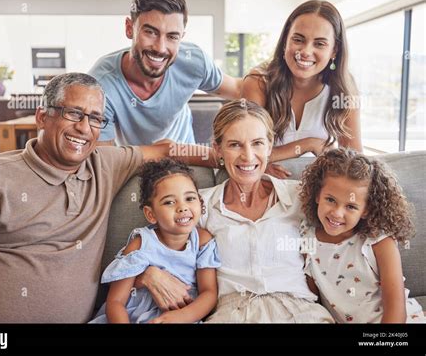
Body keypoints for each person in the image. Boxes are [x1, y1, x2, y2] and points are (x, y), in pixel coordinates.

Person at [0, 73, 212, 323]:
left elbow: (166, 149)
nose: (84, 128)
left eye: (96, 118)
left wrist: (227, 158)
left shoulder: (105, 165)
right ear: (42, 117)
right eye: (74, 113)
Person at [137, 100, 335, 323]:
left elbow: (349, 234)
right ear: (218, 149)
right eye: (235, 145)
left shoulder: (302, 197)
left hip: (300, 313)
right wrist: (146, 274)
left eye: (257, 143)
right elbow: (149, 248)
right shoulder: (198, 206)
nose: (248, 156)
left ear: (270, 146)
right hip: (233, 314)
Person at [89, 0, 241, 146]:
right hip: (132, 164)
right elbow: (106, 158)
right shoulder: (99, 86)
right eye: (150, 32)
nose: (160, 48)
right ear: (129, 28)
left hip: (187, 158)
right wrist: (164, 152)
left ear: (181, 37)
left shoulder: (194, 62)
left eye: (172, 37)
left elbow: (240, 89)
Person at [298, 148, 425, 323]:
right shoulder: (307, 239)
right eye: (330, 199)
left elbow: (396, 309)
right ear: (317, 194)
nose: (337, 213)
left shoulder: (379, 242)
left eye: (350, 206)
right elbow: (314, 303)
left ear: (366, 210)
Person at [91, 159, 220, 323]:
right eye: (169, 202)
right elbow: (115, 302)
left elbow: (209, 293)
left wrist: (182, 317)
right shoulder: (140, 244)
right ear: (150, 214)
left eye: (189, 198)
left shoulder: (202, 241)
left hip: (181, 316)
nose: (182, 207)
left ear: (200, 203)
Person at [241, 0, 362, 176]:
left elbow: (355, 162)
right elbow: (246, 152)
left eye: (319, 43)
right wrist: (310, 144)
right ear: (285, 42)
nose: (305, 51)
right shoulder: (258, 82)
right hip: (267, 186)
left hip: (320, 190)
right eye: (298, 40)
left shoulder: (345, 89)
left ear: (334, 50)